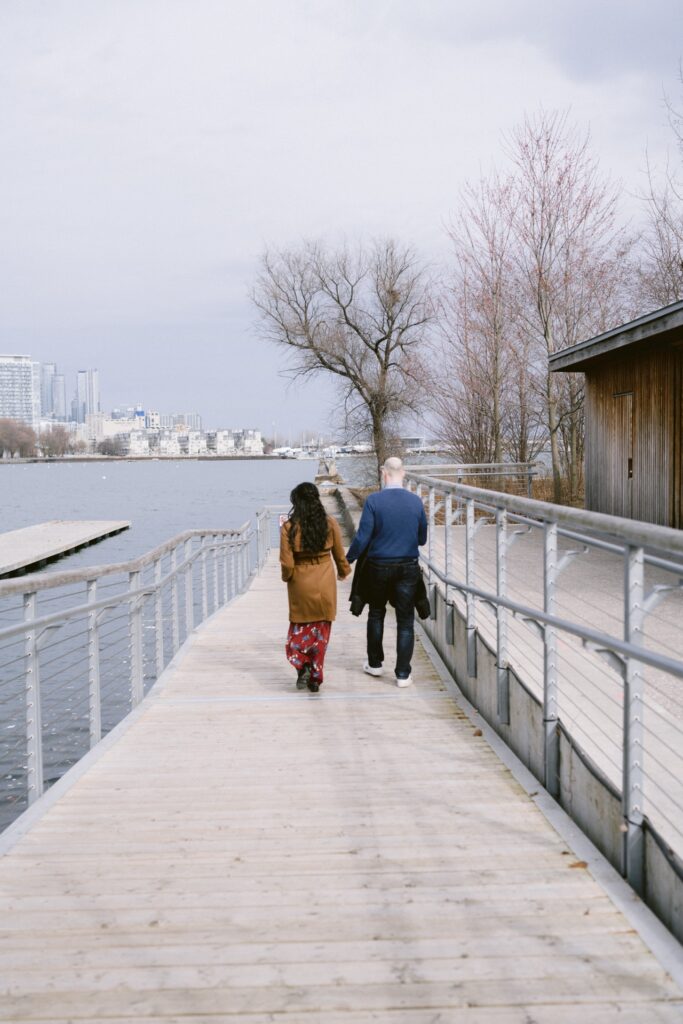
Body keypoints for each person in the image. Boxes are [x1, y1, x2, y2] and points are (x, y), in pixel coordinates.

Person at [346, 457, 428, 686]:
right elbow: (422, 539)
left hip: (378, 566)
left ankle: (374, 664)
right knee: (405, 621)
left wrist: (348, 559)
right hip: (408, 567)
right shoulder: (415, 502)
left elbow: (363, 537)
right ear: (403, 473)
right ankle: (403, 674)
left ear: (384, 474)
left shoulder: (374, 501)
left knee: (376, 613)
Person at [280, 482, 351, 692]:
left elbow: (287, 562)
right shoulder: (329, 523)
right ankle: (315, 675)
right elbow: (339, 553)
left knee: (298, 633)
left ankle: (302, 666)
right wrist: (343, 571)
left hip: (300, 583)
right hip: (325, 582)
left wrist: (288, 577)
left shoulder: (289, 528)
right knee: (320, 634)